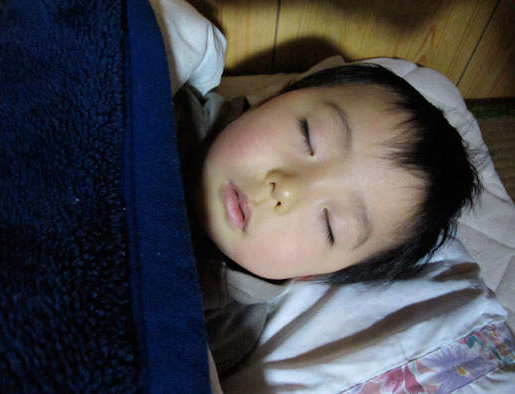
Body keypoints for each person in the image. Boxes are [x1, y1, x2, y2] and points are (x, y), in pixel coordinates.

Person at [174, 63, 481, 377]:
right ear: (276, 97)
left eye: (330, 226)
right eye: (308, 137)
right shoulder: (162, 98)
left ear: (312, 274)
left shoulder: (223, 332)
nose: (288, 189)